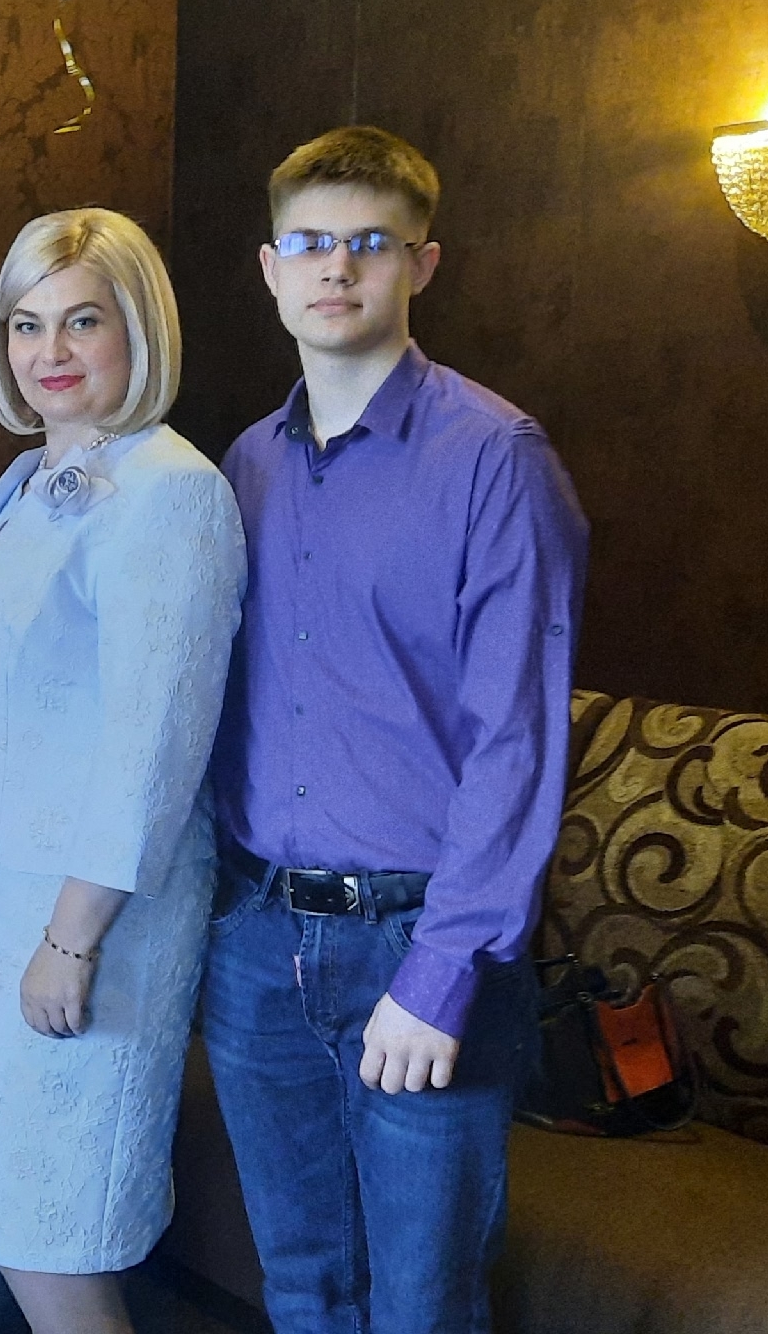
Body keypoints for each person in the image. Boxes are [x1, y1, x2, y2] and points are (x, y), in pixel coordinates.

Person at [201, 126, 588, 1334]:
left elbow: (516, 742)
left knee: (423, 1306)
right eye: (310, 243)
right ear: (270, 270)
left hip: (418, 942)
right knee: (301, 1285)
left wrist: (442, 972)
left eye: (369, 242)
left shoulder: (496, 459)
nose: (337, 267)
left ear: (421, 263)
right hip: (255, 937)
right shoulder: (244, 466)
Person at [0, 209, 245, 1334]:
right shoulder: (35, 472)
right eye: (25, 324)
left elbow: (154, 744)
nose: (48, 351)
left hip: (91, 907)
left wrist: (70, 938)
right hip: (0, 889)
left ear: (137, 329)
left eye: (82, 321)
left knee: (53, 1224)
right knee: (14, 1210)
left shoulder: (171, 488)